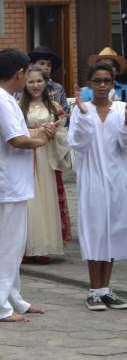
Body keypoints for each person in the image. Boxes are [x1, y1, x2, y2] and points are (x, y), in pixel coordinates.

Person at [0, 49, 51, 322]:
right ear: (20, 74)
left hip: (12, 182)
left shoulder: (5, 99)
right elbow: (16, 140)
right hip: (5, 183)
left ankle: (14, 300)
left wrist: (39, 132)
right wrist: (40, 141)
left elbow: (21, 135)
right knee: (4, 247)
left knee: (14, 245)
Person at [68, 62, 127, 311]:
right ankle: (93, 290)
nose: (102, 85)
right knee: (95, 231)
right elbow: (78, 143)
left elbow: (124, 146)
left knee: (113, 230)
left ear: (113, 83)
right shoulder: (82, 111)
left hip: (116, 178)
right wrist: (82, 113)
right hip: (92, 177)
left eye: (107, 81)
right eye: (97, 81)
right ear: (88, 84)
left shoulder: (122, 109)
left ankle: (106, 289)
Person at [18, 66, 70, 264]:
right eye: (31, 81)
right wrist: (36, 132)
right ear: (24, 83)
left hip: (47, 156)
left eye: (39, 81)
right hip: (26, 155)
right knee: (29, 201)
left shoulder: (55, 107)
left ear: (46, 82)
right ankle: (25, 245)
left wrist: (54, 132)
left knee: (46, 200)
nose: (35, 85)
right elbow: (16, 132)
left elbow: (64, 134)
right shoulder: (18, 105)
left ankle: (43, 245)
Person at [28, 45, 69, 114]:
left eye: (49, 65)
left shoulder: (58, 88)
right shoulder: (23, 88)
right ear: (32, 65)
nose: (46, 67)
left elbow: (65, 115)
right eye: (42, 63)